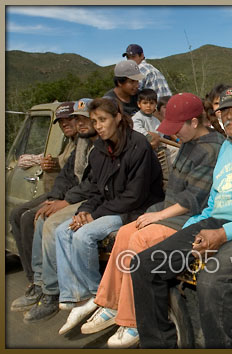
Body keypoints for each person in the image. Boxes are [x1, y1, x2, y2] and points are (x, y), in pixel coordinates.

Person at [130, 86, 232, 348]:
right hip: (216, 222)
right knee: (144, 265)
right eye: (224, 111)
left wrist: (222, 235)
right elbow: (215, 202)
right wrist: (189, 230)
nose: (229, 116)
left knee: (212, 279)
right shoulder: (227, 146)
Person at [77, 93, 224, 348]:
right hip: (171, 210)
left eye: (178, 127)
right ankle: (110, 303)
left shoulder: (213, 148)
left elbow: (195, 199)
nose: (174, 133)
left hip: (193, 217)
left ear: (194, 122)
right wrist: (153, 213)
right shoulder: (188, 142)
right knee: (125, 232)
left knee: (141, 238)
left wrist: (157, 215)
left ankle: (132, 318)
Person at [55, 97, 164, 335]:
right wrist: (84, 210)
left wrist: (95, 215)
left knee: (84, 235)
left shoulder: (138, 146)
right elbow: (95, 189)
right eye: (95, 121)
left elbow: (135, 196)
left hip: (135, 211)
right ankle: (77, 296)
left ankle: (97, 296)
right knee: (62, 231)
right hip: (110, 207)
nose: (99, 126)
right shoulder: (99, 150)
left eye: (103, 119)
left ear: (117, 118)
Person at [9, 101, 77, 308]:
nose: (65, 124)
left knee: (31, 217)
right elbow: (66, 172)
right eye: (62, 121)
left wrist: (59, 199)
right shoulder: (71, 143)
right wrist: (54, 165)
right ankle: (33, 279)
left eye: (70, 119)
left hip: (74, 194)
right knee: (16, 214)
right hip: (63, 191)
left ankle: (41, 283)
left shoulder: (84, 142)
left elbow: (79, 179)